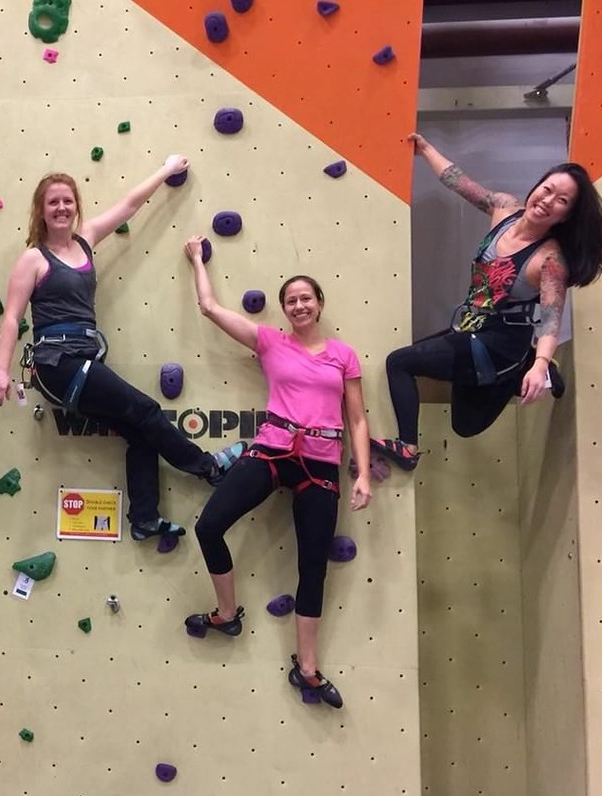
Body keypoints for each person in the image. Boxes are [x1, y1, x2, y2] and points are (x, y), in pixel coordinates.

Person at [0, 157, 245, 541]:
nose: (61, 208)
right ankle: (208, 468)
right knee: (147, 410)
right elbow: (10, 318)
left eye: (67, 201)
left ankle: (144, 519)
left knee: (141, 431)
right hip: (58, 363)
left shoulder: (85, 240)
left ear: (76, 207)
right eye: (53, 202)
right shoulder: (33, 259)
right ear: (40, 210)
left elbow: (129, 205)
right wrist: (1, 370)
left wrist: (166, 169)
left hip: (83, 360)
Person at [182, 237, 372, 709]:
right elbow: (208, 307)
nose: (299, 304)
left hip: (322, 463)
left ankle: (307, 668)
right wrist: (196, 260)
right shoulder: (270, 341)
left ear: (320, 304)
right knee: (208, 526)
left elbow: (358, 419)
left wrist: (363, 474)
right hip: (272, 451)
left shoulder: (343, 356)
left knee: (312, 566)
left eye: (306, 297)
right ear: (284, 309)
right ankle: (227, 614)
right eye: (291, 300)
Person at [370, 133, 602, 471]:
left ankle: (407, 449)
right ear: (537, 186)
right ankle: (523, 367)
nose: (548, 200)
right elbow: (459, 182)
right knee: (462, 422)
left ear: (565, 216)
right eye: (548, 189)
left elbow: (551, 320)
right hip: (470, 327)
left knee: (401, 363)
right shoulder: (504, 209)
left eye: (562, 200)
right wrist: (426, 149)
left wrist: (540, 364)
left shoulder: (549, 261)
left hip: (499, 344)